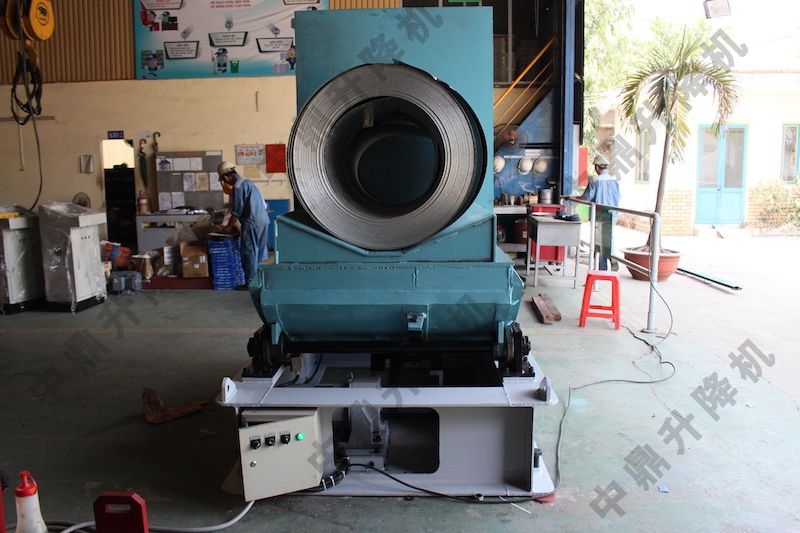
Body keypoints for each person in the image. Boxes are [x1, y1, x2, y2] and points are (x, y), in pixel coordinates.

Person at [216, 162, 270, 287]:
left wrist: (228, 227)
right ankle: (259, 283)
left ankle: (251, 284)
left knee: (249, 253)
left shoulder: (238, 186)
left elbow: (237, 211)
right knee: (259, 254)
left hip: (252, 223)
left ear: (225, 177)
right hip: (263, 221)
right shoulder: (248, 182)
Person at [580, 154, 621, 271]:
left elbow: (586, 198)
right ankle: (612, 258)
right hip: (612, 212)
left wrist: (574, 198)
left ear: (597, 167)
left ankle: (602, 266)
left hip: (599, 213)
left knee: (598, 240)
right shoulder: (614, 180)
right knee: (608, 236)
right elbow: (618, 197)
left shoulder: (595, 181)